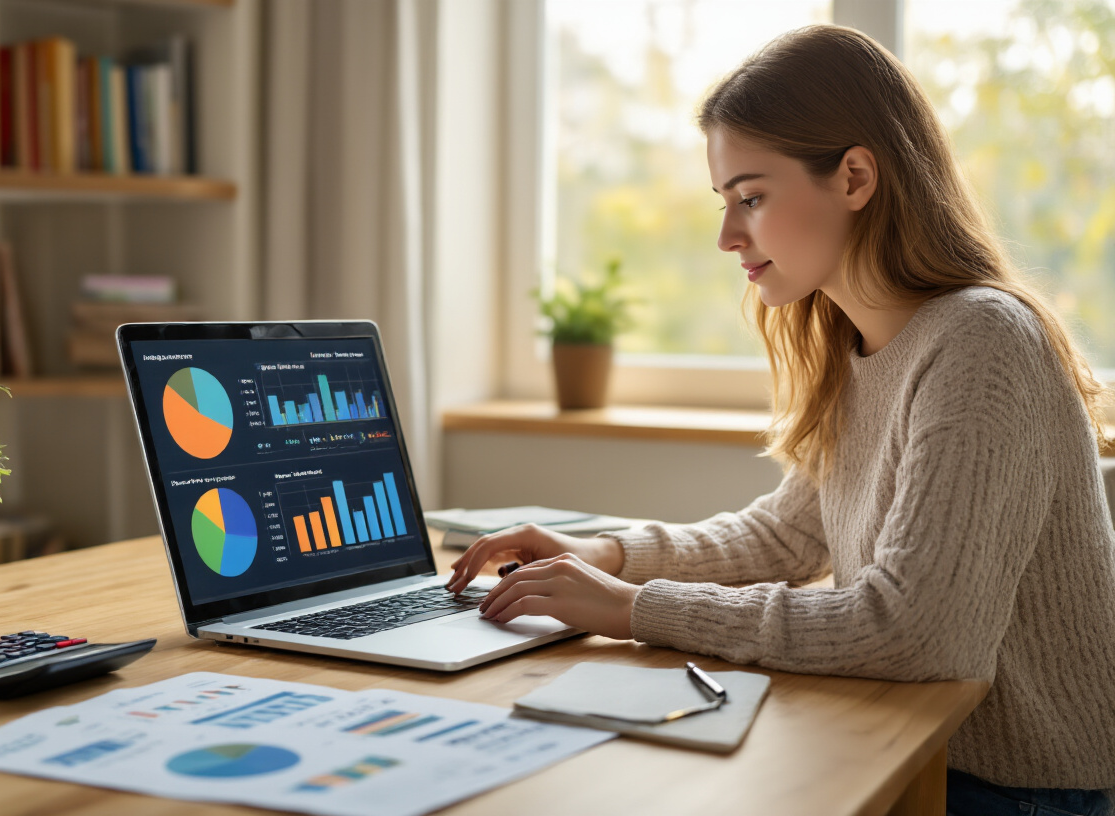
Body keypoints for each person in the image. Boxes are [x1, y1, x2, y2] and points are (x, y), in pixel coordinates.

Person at [446, 24, 1115, 816]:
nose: (729, 236)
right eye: (726, 203)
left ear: (856, 176)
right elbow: (786, 539)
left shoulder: (980, 341)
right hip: (926, 748)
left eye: (752, 198)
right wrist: (606, 556)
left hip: (1015, 788)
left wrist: (631, 610)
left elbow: (917, 631)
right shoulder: (861, 341)